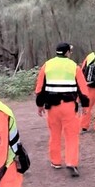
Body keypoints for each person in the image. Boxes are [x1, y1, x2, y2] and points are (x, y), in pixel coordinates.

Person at [35, 42, 90, 177]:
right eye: (69, 51)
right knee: (71, 135)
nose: (70, 53)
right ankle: (71, 162)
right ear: (66, 52)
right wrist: (86, 106)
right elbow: (83, 89)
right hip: (69, 107)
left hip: (52, 107)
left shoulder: (47, 65)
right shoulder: (74, 67)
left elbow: (40, 88)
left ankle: (56, 161)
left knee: (55, 134)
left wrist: (40, 105)